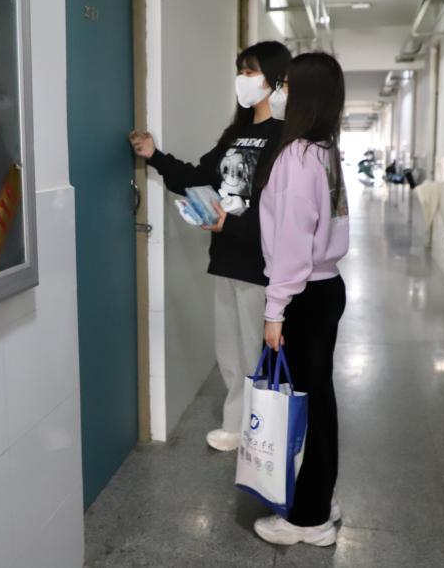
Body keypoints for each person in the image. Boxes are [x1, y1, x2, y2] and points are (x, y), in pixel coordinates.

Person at [128, 41, 292, 452]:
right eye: (241, 71)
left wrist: (233, 224)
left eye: (251, 72)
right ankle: (236, 424)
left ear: (275, 79)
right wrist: (154, 155)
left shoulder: (287, 138)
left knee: (258, 352)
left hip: (261, 263)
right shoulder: (236, 134)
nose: (243, 79)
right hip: (226, 258)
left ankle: (263, 432)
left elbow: (284, 212)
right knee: (231, 353)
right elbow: (197, 177)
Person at [255, 52, 349, 547]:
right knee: (319, 398)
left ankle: (309, 520)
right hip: (326, 287)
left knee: (307, 403)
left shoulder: (297, 156)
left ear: (305, 94)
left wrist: (276, 309)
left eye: (286, 85)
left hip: (304, 294)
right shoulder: (324, 150)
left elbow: (292, 242)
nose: (279, 93)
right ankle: (320, 496)